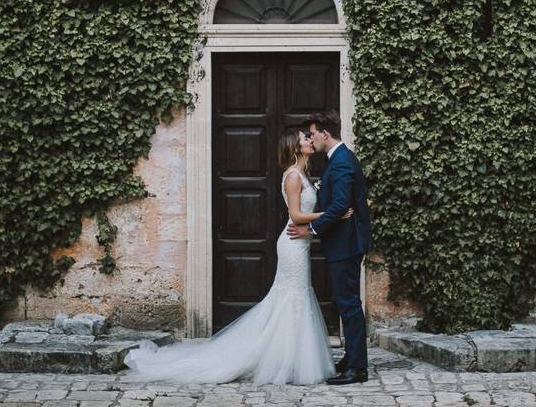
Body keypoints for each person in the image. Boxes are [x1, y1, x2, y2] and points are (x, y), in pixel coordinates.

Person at [122, 129, 352, 385]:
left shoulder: (303, 174)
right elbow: (296, 216)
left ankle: (289, 358)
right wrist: (332, 213)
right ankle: (282, 360)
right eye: (304, 138)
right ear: (295, 147)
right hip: (292, 245)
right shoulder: (293, 177)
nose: (310, 140)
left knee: (295, 296)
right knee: (292, 297)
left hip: (301, 243)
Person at [286, 110, 372, 385]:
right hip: (341, 241)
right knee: (346, 302)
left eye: (312, 134)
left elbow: (340, 205)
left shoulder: (343, 161)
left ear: (325, 133)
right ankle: (352, 358)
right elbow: (336, 205)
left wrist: (309, 229)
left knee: (349, 304)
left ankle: (357, 369)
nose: (311, 139)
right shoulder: (337, 160)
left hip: (346, 243)